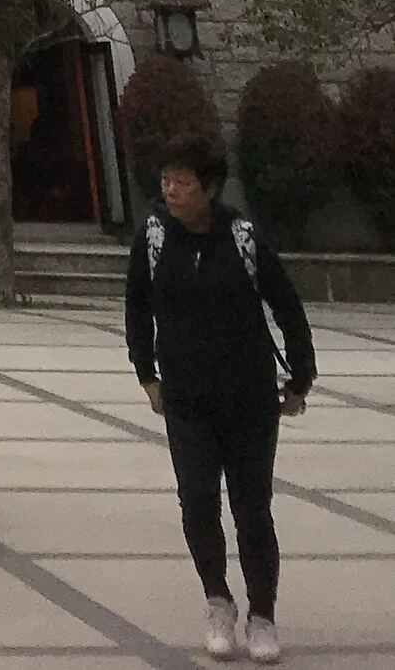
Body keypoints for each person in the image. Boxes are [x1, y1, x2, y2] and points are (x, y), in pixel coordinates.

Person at [126, 128, 316, 663]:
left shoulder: (245, 238)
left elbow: (287, 306)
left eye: (182, 182)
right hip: (185, 397)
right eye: (166, 181)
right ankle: (218, 602)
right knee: (198, 503)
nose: (171, 191)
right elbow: (137, 305)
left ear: (209, 187)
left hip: (250, 398)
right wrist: (147, 373)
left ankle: (262, 615)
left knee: (252, 509)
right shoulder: (155, 237)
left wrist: (300, 379)